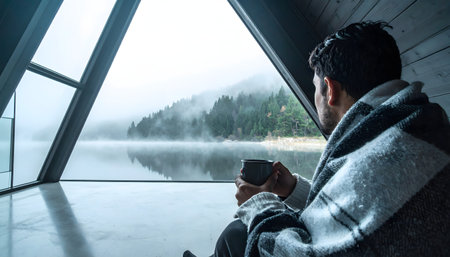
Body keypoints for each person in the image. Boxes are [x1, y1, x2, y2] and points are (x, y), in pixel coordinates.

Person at [184, 21, 450, 257]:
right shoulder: (415, 130)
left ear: (330, 89)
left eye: (315, 88)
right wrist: (293, 191)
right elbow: (354, 208)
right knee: (236, 234)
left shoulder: (383, 159)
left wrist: (258, 204)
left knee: (238, 233)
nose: (316, 98)